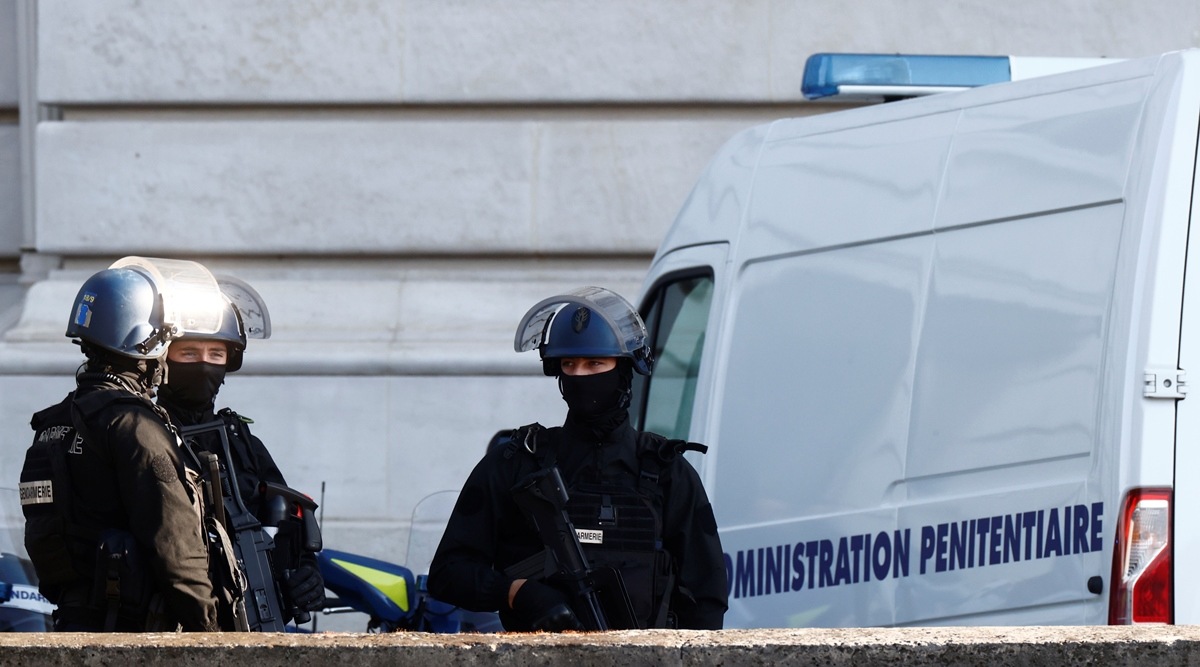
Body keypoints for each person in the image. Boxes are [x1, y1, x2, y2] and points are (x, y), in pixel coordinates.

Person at [428, 286, 728, 631]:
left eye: (595, 363)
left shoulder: (668, 472)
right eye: (569, 364)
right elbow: (449, 572)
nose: (581, 376)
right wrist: (515, 592)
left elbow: (707, 600)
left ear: (626, 368)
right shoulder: (515, 462)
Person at [20, 257, 226, 632]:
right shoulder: (135, 425)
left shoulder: (54, 422)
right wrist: (210, 632)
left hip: (74, 623)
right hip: (134, 631)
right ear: (146, 342)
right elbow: (175, 544)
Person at [155, 277, 325, 625]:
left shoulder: (240, 441)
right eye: (189, 353)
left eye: (215, 354)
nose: (204, 365)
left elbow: (287, 519)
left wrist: (304, 573)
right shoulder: (144, 435)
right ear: (164, 358)